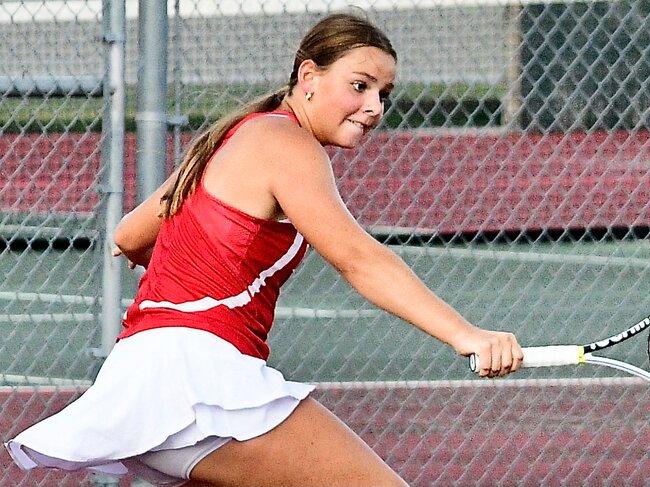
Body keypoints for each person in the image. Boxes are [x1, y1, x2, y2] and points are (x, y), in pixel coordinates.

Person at [5, 12, 523, 487]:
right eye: (359, 86)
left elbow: (129, 235)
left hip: (155, 371)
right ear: (309, 77)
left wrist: (198, 255)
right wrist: (466, 335)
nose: (374, 107)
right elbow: (359, 260)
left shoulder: (238, 135)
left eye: (384, 94)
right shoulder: (284, 144)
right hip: (198, 382)